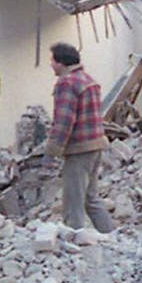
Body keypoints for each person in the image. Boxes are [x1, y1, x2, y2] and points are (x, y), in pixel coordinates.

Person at [46, 41, 115, 233]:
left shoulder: (67, 82)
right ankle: (111, 235)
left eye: (52, 60)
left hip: (79, 148)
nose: (51, 64)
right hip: (96, 145)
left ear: (61, 62)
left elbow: (63, 120)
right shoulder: (88, 79)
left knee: (73, 200)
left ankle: (73, 241)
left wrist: (51, 152)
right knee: (91, 198)